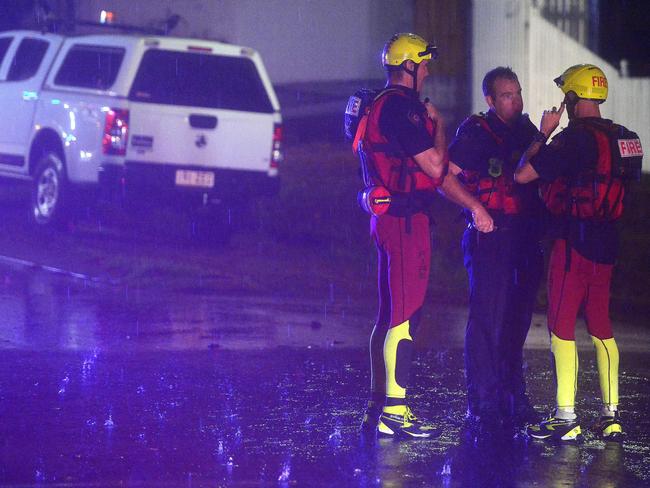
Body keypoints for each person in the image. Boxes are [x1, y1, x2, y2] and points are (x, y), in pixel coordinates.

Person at [354, 33, 494, 438]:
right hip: (405, 220)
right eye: (425, 63)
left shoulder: (382, 103)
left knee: (389, 316)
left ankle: (379, 404)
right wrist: (439, 124)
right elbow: (433, 166)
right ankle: (394, 413)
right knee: (404, 316)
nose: (429, 70)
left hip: (390, 217)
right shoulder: (402, 109)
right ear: (410, 67)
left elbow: (425, 168)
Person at [515, 64, 643, 441]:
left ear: (572, 97)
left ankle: (565, 417)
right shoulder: (628, 138)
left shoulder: (571, 140)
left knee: (561, 325)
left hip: (573, 241)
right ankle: (611, 415)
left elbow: (522, 174)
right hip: (608, 242)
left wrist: (543, 133)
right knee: (602, 326)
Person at [448, 67, 545, 433]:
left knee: (517, 320)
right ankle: (483, 401)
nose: (516, 100)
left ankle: (512, 396)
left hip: (524, 235)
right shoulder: (476, 132)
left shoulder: (525, 129)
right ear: (490, 100)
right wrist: (476, 209)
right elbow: (446, 176)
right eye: (507, 95)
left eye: (518, 92)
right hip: (490, 235)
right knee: (488, 319)